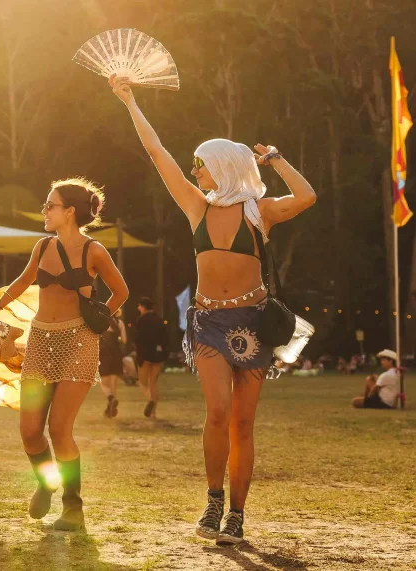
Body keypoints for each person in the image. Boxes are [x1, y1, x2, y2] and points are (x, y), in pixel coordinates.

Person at [110, 75, 316, 545]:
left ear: (223, 166)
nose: (195, 171)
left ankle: (237, 516)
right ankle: (213, 501)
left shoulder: (258, 210)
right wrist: (130, 102)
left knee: (244, 423)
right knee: (218, 413)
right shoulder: (196, 207)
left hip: (255, 324)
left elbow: (306, 197)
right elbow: (156, 153)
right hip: (208, 322)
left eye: (201, 165)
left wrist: (276, 160)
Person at [0, 177, 128, 531]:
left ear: (70, 211)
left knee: (59, 428)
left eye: (50, 205)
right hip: (41, 340)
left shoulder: (94, 251)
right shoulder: (43, 247)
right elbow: (22, 281)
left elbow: (121, 291)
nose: (45, 211)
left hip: (80, 342)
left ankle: (73, 507)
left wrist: (99, 316)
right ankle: (45, 483)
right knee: (29, 431)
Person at [135, 297, 168, 419]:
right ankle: (153, 413)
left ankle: (150, 400)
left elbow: (138, 340)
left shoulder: (141, 320)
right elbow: (165, 339)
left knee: (142, 382)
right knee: (153, 382)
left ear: (143, 307)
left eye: (139, 306)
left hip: (145, 355)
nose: (138, 308)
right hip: (158, 355)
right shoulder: (159, 320)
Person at [98, 314, 127, 417]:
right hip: (116, 352)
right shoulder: (119, 323)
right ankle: (111, 409)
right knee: (113, 380)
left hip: (104, 353)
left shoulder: (101, 321)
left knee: (102, 381)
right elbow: (124, 340)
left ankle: (110, 398)